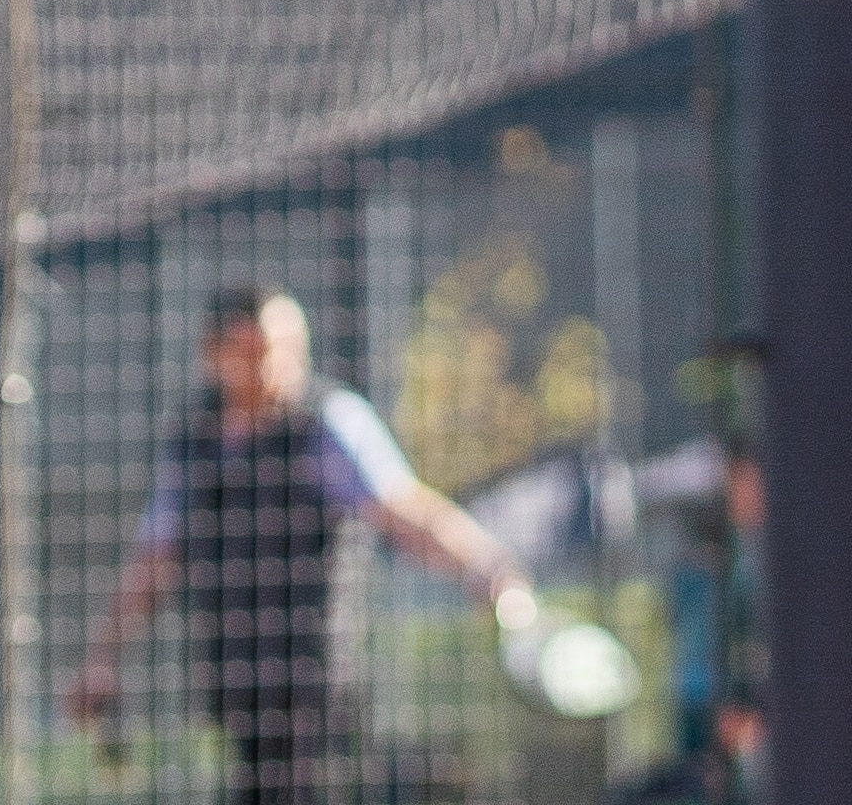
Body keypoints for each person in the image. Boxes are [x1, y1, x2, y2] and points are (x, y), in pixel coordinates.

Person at [68, 284, 542, 802]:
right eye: (259, 352)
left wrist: (492, 570)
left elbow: (406, 512)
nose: (280, 366)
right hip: (232, 679)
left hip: (314, 680)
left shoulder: (328, 424)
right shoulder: (193, 440)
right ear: (214, 356)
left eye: (291, 349)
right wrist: (103, 658)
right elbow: (156, 555)